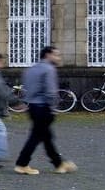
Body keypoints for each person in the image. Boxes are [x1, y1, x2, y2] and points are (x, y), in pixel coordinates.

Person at [16, 45, 77, 176]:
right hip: (43, 107)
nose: (58, 58)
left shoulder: (31, 69)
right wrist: (53, 108)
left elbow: (26, 89)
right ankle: (21, 164)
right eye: (56, 55)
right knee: (36, 137)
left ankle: (59, 164)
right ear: (48, 55)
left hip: (32, 107)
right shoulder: (49, 69)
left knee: (46, 137)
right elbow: (50, 92)